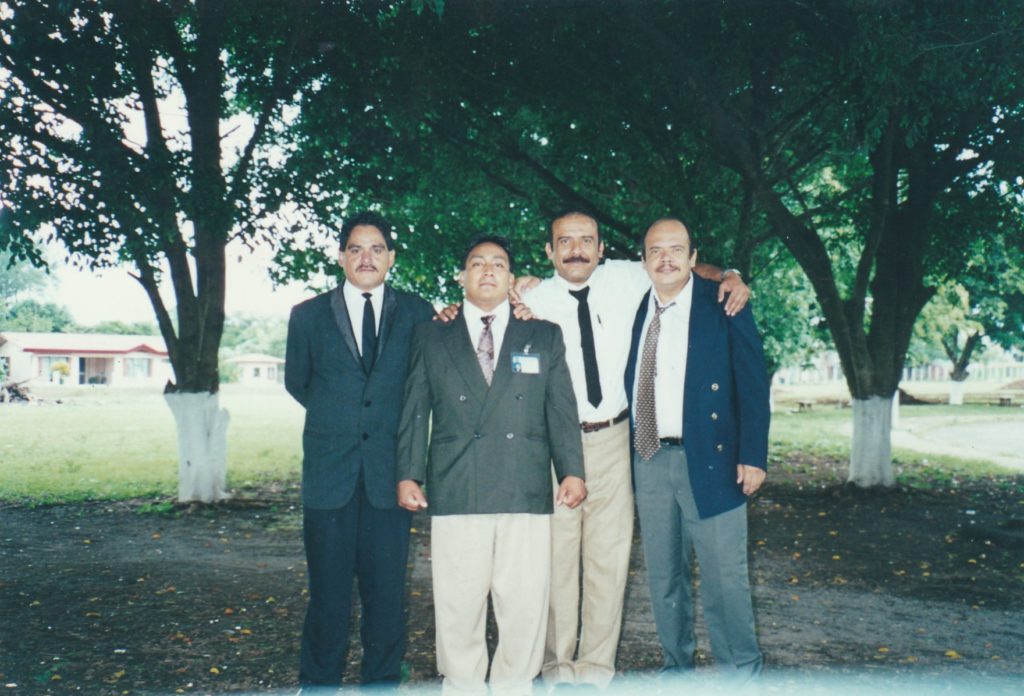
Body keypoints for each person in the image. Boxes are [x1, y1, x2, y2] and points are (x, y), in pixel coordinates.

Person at [515, 211, 749, 691]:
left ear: (604, 249)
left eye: (587, 240)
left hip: (619, 441)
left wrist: (732, 276)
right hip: (558, 444)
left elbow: (683, 268)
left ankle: (596, 671)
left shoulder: (628, 277)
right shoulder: (530, 298)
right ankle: (557, 669)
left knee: (610, 558)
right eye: (565, 241)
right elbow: (481, 304)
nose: (576, 249)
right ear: (548, 251)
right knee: (558, 561)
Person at [396, 234, 586, 696]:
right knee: (458, 602)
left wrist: (572, 470)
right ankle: (461, 686)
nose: (486, 270)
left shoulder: (542, 334)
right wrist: (408, 473)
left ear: (510, 278)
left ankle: (515, 686)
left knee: (522, 602)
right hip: (457, 482)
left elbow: (560, 408)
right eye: (476, 263)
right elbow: (414, 407)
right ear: (462, 276)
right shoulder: (431, 333)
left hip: (522, 484)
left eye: (498, 264)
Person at [284, 211, 435, 692]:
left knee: (386, 599)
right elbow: (299, 382)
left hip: (391, 477)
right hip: (330, 479)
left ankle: (382, 685)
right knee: (327, 599)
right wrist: (344, 419)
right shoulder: (307, 315)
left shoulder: (418, 312)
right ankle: (318, 685)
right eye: (355, 248)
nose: (365, 258)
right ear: (341, 256)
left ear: (391, 257)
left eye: (376, 249)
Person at [624, 218, 770, 682]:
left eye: (675, 249)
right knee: (664, 579)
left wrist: (754, 454)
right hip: (648, 458)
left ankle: (740, 676)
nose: (665, 258)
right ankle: (676, 672)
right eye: (655, 250)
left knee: (726, 579)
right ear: (643, 259)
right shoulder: (632, 304)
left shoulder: (724, 303)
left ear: (692, 257)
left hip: (714, 458)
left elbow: (752, 383)